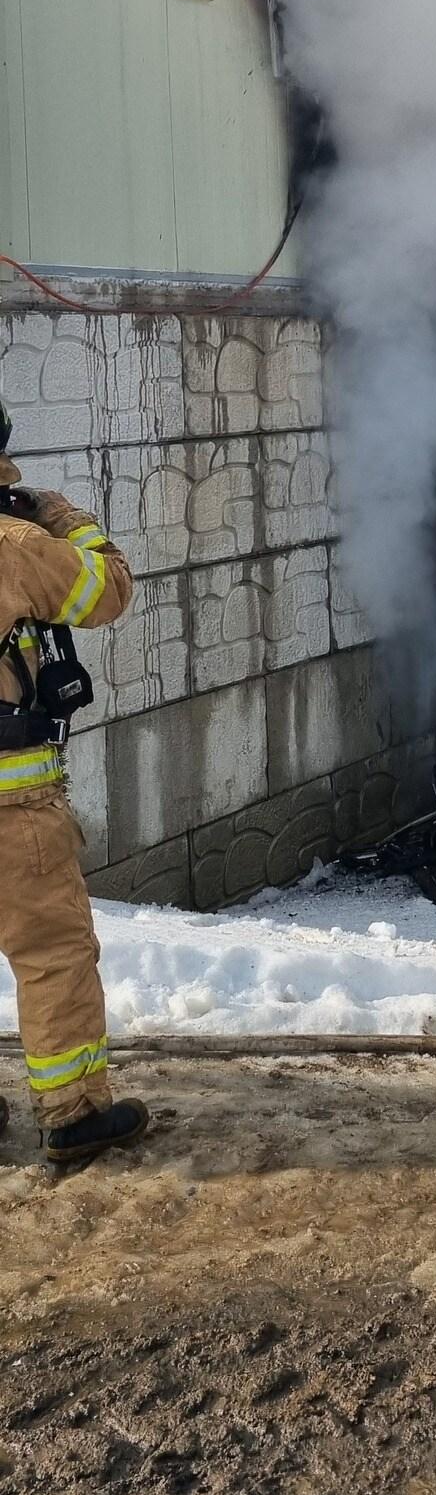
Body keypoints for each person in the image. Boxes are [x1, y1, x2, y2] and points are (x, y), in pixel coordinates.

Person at [0, 398, 149, 1162]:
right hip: (11, 800)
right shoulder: (18, 541)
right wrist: (67, 516)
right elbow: (111, 588)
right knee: (52, 950)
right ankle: (75, 1112)